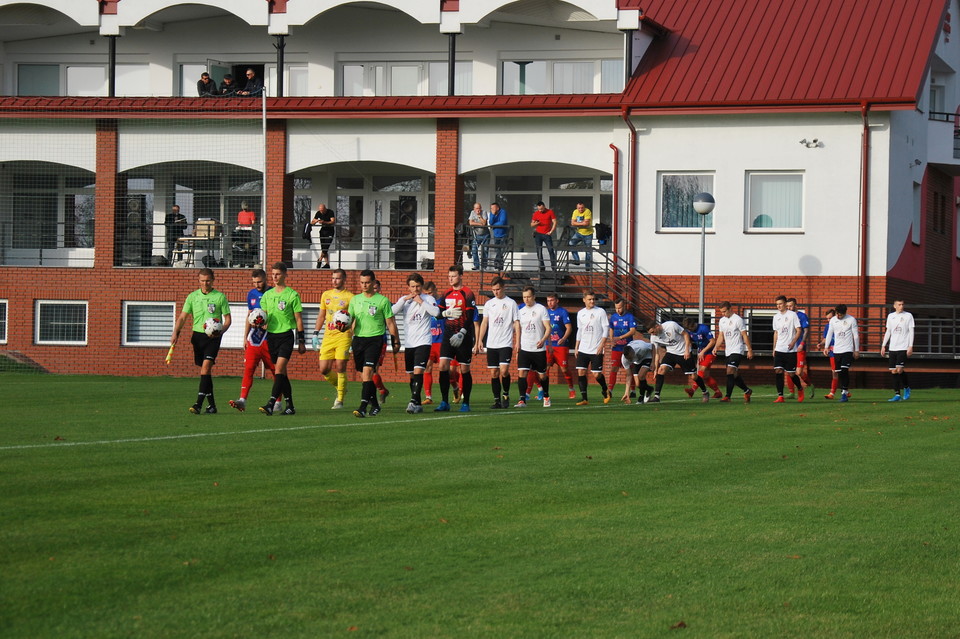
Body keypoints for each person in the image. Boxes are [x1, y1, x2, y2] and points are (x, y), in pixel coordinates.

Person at [170, 268, 232, 414]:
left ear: (213, 280)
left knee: (205, 369)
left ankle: (198, 404)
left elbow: (228, 320)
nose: (205, 284)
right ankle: (212, 406)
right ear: (199, 281)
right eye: (202, 281)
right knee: (206, 372)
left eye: (208, 281)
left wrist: (220, 332)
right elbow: (182, 317)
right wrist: (175, 333)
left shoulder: (220, 297)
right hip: (197, 337)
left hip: (213, 338)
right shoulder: (192, 297)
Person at [347, 270, 400, 418]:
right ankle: (375, 405)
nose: (364, 285)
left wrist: (395, 340)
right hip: (358, 340)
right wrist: (342, 326)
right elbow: (350, 321)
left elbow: (390, 323)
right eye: (362, 282)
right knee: (365, 375)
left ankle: (363, 406)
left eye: (367, 282)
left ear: (374, 282)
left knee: (368, 371)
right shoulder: (355, 300)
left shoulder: (382, 301)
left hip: (375, 339)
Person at [258, 263, 306, 415]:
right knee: (282, 373)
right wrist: (259, 323)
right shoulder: (267, 295)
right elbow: (264, 317)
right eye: (273, 274)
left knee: (278, 370)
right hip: (271, 337)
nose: (275, 277)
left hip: (286, 335)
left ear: (285, 275)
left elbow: (298, 319)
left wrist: (301, 340)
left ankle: (271, 403)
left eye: (278, 274)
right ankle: (290, 406)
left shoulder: (292, 295)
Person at [229, 269, 278, 413]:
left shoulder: (273, 293)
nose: (257, 285)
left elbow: (276, 316)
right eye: (255, 282)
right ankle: (242, 400)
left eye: (260, 282)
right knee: (249, 369)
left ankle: (278, 401)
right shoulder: (251, 294)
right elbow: (249, 316)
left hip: (269, 338)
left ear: (266, 279)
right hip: (254, 338)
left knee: (276, 371)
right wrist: (245, 337)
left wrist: (268, 324)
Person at [392, 273, 441, 414]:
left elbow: (436, 312)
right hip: (409, 343)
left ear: (421, 286)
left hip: (423, 341)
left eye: (418, 286)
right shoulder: (404, 300)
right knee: (412, 375)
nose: (415, 289)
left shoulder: (428, 298)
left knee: (419, 370)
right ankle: (418, 402)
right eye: (412, 286)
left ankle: (413, 401)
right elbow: (391, 312)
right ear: (408, 287)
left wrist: (420, 302)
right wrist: (405, 300)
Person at [435, 264, 480, 412]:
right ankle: (444, 402)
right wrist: (445, 314)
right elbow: (438, 313)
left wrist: (462, 332)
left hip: (463, 335)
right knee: (442, 366)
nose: (450, 279)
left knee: (464, 368)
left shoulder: (467, 293)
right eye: (449, 276)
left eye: (453, 276)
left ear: (461, 276)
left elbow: (469, 316)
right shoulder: (446, 293)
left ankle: (465, 402)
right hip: (448, 334)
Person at [475, 277, 520, 409]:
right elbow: (484, 322)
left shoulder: (511, 303)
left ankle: (505, 394)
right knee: (494, 372)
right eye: (493, 290)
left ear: (503, 287)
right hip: (492, 343)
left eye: (498, 289)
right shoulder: (489, 304)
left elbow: (516, 322)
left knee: (504, 371)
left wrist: (517, 340)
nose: (496, 292)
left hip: (505, 343)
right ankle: (496, 400)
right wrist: (479, 340)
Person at [312, 268, 354, 409]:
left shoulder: (350, 297)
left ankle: (340, 399)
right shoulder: (326, 295)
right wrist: (315, 333)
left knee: (341, 366)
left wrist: (352, 334)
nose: (334, 281)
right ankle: (341, 387)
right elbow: (321, 315)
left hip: (343, 335)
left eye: (338, 278)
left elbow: (353, 318)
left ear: (344, 280)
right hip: (328, 336)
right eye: (333, 278)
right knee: (324, 369)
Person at [514, 287, 553, 407]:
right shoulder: (520, 311)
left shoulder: (541, 309)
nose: (526, 299)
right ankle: (522, 400)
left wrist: (543, 340)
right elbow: (518, 329)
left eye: (528, 297)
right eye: (524, 297)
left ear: (534, 296)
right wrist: (517, 343)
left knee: (542, 375)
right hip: (525, 348)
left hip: (538, 349)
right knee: (522, 374)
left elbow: (548, 328)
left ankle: (546, 396)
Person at [573, 291, 611, 405]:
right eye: (589, 299)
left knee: (596, 374)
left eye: (593, 299)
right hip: (583, 348)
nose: (592, 301)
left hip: (596, 348)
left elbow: (606, 329)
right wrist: (576, 347)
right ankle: (584, 398)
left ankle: (605, 390)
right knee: (581, 371)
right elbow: (579, 330)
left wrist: (602, 344)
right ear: (584, 300)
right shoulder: (580, 313)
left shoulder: (600, 312)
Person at [648, 318, 697, 403]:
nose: (653, 334)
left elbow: (685, 334)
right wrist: (656, 368)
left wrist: (686, 350)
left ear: (656, 326)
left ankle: (705, 391)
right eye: (651, 333)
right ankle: (656, 396)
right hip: (671, 353)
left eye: (653, 332)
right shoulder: (653, 337)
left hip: (683, 352)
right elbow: (656, 354)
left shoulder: (671, 325)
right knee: (661, 370)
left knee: (693, 377)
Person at [714, 301, 754, 403]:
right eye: (721, 312)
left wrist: (749, 350)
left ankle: (727, 396)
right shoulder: (722, 321)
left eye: (724, 311)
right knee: (734, 374)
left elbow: (744, 335)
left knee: (730, 371)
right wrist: (716, 347)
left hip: (737, 349)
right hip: (728, 351)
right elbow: (721, 336)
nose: (723, 314)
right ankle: (747, 390)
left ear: (730, 309)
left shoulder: (738, 320)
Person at [822, 303, 859, 402]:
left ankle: (843, 394)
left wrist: (856, 350)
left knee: (844, 370)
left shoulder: (851, 320)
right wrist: (826, 347)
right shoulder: (833, 320)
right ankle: (845, 391)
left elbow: (855, 335)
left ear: (845, 313)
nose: (838, 316)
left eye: (840, 315)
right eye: (837, 314)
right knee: (839, 372)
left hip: (847, 349)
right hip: (836, 350)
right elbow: (830, 333)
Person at [880, 299, 915, 402]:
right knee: (893, 371)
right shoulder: (891, 316)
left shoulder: (908, 316)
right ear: (895, 306)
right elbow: (888, 331)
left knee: (899, 369)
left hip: (903, 346)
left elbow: (911, 331)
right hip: (893, 347)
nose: (901, 306)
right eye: (899, 305)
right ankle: (897, 395)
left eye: (902, 304)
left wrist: (910, 346)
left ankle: (907, 387)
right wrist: (883, 345)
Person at [772, 295, 805, 403]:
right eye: (777, 304)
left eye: (780, 304)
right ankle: (780, 396)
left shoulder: (792, 315)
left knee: (791, 374)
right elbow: (776, 333)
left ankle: (800, 388)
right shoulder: (776, 317)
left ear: (785, 304)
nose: (779, 306)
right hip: (779, 349)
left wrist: (793, 342)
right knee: (778, 371)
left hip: (790, 350)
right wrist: (774, 348)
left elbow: (799, 330)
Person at [543, 293, 576, 399]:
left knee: (564, 369)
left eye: (552, 300)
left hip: (561, 346)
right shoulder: (545, 312)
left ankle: (571, 388)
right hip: (548, 345)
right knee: (545, 369)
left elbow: (569, 328)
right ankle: (544, 392)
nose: (550, 303)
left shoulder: (562, 312)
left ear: (557, 301)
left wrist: (563, 338)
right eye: (548, 301)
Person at [682, 317, 722, 400]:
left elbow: (712, 341)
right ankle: (718, 392)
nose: (690, 330)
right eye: (688, 329)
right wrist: (687, 350)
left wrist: (703, 351)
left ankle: (692, 390)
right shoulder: (689, 331)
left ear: (694, 324)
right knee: (706, 376)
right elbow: (688, 341)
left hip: (710, 352)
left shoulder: (703, 328)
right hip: (701, 353)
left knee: (701, 370)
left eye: (691, 328)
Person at [608, 298, 638, 400]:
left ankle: (633, 390)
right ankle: (610, 390)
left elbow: (633, 331)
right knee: (614, 368)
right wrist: (612, 339)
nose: (618, 310)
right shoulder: (613, 317)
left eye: (620, 308)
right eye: (616, 308)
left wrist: (620, 337)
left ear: (624, 306)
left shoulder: (630, 317)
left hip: (628, 348)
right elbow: (611, 328)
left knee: (629, 369)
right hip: (616, 348)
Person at [785, 298, 813, 398]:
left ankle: (810, 385)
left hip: (799, 347)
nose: (789, 308)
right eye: (787, 306)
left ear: (796, 305)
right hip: (789, 347)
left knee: (799, 372)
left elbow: (806, 331)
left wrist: (802, 343)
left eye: (791, 306)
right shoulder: (786, 317)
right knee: (789, 370)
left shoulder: (802, 316)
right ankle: (792, 392)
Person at [619, 338, 654, 404]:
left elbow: (653, 346)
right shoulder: (624, 359)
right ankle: (649, 389)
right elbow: (629, 376)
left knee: (641, 376)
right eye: (628, 358)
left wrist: (653, 362)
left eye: (630, 357)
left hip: (647, 356)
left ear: (633, 352)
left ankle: (641, 397)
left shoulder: (642, 347)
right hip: (637, 361)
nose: (629, 360)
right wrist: (627, 393)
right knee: (638, 384)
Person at [817, 309, 841, 399]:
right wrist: (821, 344)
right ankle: (832, 393)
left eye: (830, 318)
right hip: (832, 352)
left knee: (841, 372)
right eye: (827, 319)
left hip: (842, 351)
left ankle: (845, 390)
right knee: (835, 372)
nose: (829, 320)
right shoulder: (827, 326)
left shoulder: (840, 325)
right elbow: (826, 338)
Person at [530, 201, 557, 272]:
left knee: (551, 250)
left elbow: (554, 222)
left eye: (541, 209)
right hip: (538, 234)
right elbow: (531, 224)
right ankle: (542, 267)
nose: (540, 210)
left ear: (544, 206)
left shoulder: (550, 212)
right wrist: (536, 223)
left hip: (547, 234)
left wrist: (551, 231)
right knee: (539, 251)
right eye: (539, 209)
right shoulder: (536, 214)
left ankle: (554, 267)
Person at [568, 201, 594, 270]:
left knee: (588, 250)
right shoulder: (575, 212)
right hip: (579, 233)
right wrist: (582, 223)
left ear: (584, 207)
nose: (580, 209)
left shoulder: (587, 211)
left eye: (582, 208)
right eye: (579, 208)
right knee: (571, 243)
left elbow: (586, 223)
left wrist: (577, 223)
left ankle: (588, 267)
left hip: (588, 234)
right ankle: (577, 260)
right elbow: (572, 223)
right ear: (577, 208)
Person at [310, 203, 336, 269]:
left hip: (330, 231)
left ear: (325, 209)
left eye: (322, 210)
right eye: (320, 210)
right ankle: (327, 264)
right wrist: (315, 221)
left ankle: (320, 259)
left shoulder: (330, 212)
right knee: (324, 248)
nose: (321, 212)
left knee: (325, 247)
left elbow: (333, 221)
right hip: (322, 231)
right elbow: (312, 222)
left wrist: (324, 222)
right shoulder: (318, 213)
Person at [467, 202, 490, 271]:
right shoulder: (472, 213)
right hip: (477, 235)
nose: (478, 210)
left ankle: (484, 266)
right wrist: (479, 224)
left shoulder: (484, 212)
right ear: (474, 209)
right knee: (474, 250)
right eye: (477, 208)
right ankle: (476, 265)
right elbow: (471, 223)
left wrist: (479, 216)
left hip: (485, 235)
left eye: (479, 208)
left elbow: (484, 223)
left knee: (485, 250)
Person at [488, 202, 508, 272]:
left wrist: (494, 225)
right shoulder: (492, 213)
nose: (492, 209)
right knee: (497, 250)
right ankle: (499, 265)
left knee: (501, 250)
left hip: (503, 234)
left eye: (493, 208)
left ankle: (497, 264)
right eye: (491, 208)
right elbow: (490, 222)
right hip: (496, 234)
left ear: (497, 208)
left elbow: (502, 222)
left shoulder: (503, 212)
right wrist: (493, 215)